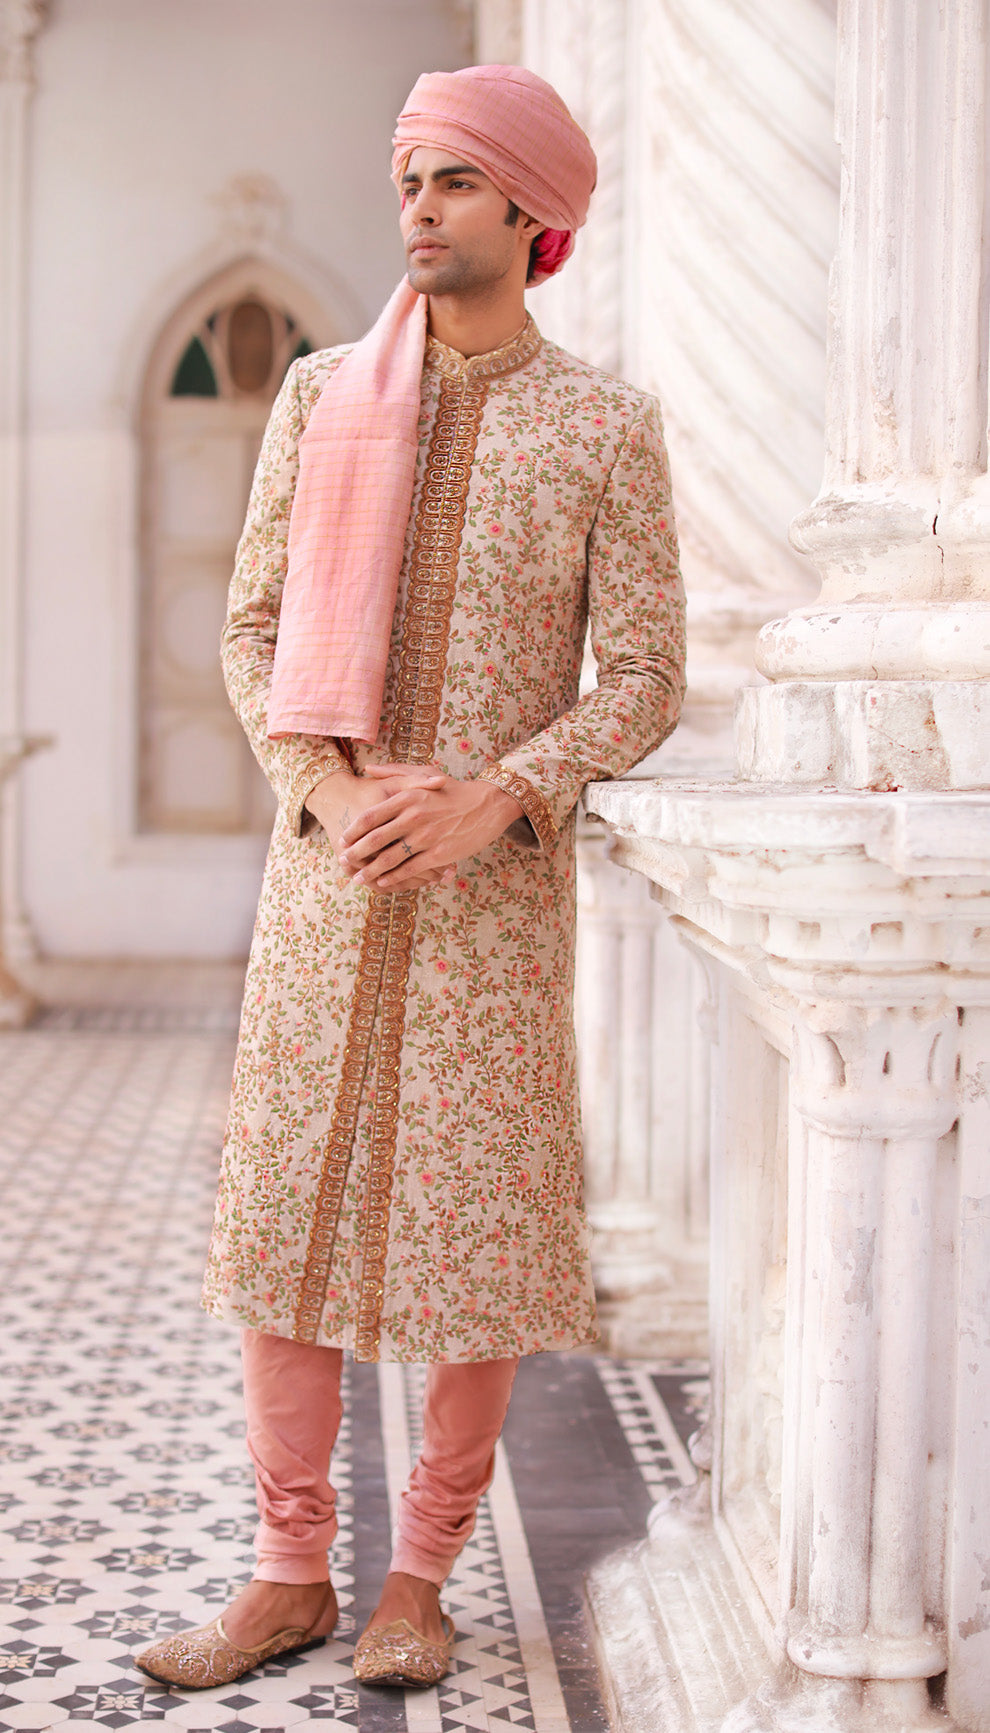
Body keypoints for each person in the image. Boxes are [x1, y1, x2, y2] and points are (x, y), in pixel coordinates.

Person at [135, 62, 685, 1693]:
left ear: (533, 213)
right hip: (327, 877)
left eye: (452, 182)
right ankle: (286, 1570)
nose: (418, 210)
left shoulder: (604, 427)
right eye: (408, 180)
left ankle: (418, 1578)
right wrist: (323, 781)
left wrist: (499, 796)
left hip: (489, 896)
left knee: (474, 1233)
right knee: (287, 1212)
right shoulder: (318, 397)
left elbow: (644, 673)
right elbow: (251, 630)